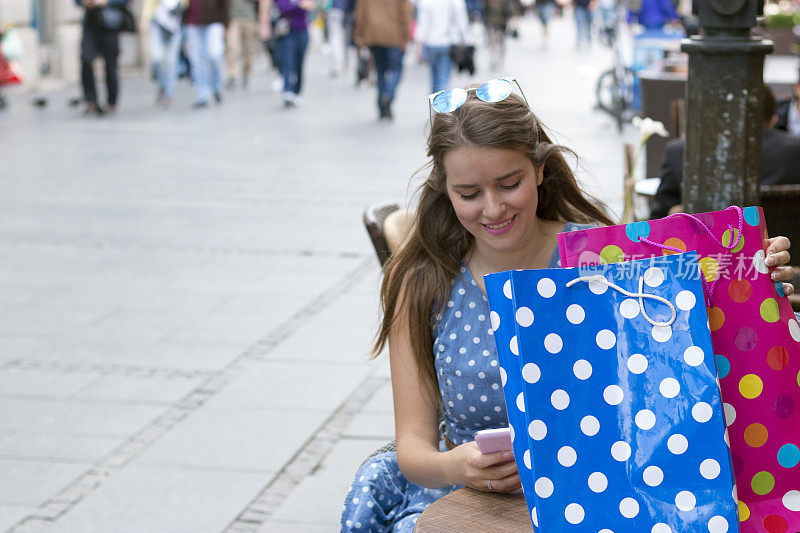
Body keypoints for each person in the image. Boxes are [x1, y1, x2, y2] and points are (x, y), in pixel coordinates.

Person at [339, 78, 797, 533]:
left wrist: (753, 273)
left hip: (610, 498)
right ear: (445, 189)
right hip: (470, 506)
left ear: (539, 169)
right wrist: (459, 466)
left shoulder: (598, 254)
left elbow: (689, 322)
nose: (494, 208)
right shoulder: (423, 283)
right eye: (469, 193)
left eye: (509, 183)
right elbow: (413, 452)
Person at [651, 85, 800, 219]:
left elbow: (658, 219)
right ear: (772, 120)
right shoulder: (794, 151)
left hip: (706, 249)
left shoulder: (680, 152)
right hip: (783, 247)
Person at [353, 0, 412, 120]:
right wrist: (405, 37)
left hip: (374, 35)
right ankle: (388, 94)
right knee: (396, 69)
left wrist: (359, 35)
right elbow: (405, 13)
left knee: (380, 71)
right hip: (394, 36)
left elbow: (360, 14)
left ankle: (382, 106)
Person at [76, 0, 133, 115]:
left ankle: (111, 102)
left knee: (111, 64)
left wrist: (106, 2)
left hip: (110, 25)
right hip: (91, 23)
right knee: (86, 59)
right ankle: (91, 100)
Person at [183, 0, 230, 108]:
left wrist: (225, 23)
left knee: (215, 55)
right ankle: (203, 95)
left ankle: (217, 87)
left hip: (214, 20)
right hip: (192, 22)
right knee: (196, 60)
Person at [415, 0, 469, 93]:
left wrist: (419, 44)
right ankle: (440, 103)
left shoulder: (425, 2)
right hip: (448, 42)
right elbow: (462, 20)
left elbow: (423, 23)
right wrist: (466, 40)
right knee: (443, 78)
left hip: (431, 42)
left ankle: (434, 102)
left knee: (435, 77)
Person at [142, 0, 187, 107]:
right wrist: (144, 19)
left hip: (175, 23)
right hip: (157, 21)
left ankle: (168, 94)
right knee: (157, 58)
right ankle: (162, 85)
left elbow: (185, 4)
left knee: (171, 61)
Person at [273, 0, 315, 107]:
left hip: (303, 31)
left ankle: (297, 91)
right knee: (287, 61)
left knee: (299, 63)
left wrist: (295, 6)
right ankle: (288, 91)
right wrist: (300, 5)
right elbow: (283, 7)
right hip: (287, 32)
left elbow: (310, 7)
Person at [225, 0, 258, 88]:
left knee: (248, 49)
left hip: (249, 18)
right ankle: (232, 75)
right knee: (232, 47)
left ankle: (246, 73)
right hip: (233, 19)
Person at [483, 0, 521, 69]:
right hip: (494, 20)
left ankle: (496, 56)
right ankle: (495, 56)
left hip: (499, 20)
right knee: (495, 39)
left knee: (497, 39)